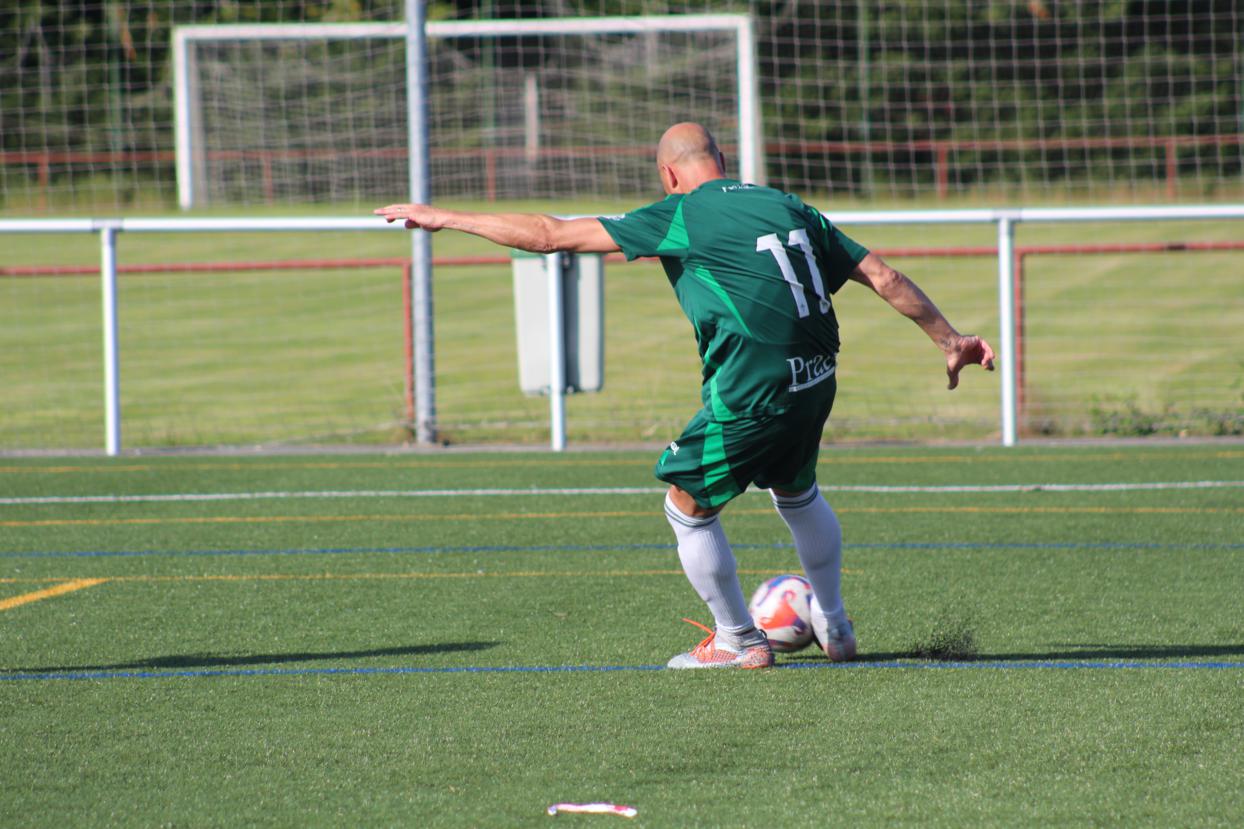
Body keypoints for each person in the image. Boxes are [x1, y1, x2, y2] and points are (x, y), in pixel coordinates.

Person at [376, 122, 995, 670]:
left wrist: (445, 217)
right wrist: (950, 339)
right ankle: (834, 625)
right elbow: (883, 275)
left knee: (687, 505)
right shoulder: (785, 203)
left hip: (755, 385)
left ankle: (738, 641)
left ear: (669, 174)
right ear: (721, 160)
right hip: (816, 376)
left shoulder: (683, 213)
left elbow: (548, 234)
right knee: (796, 489)